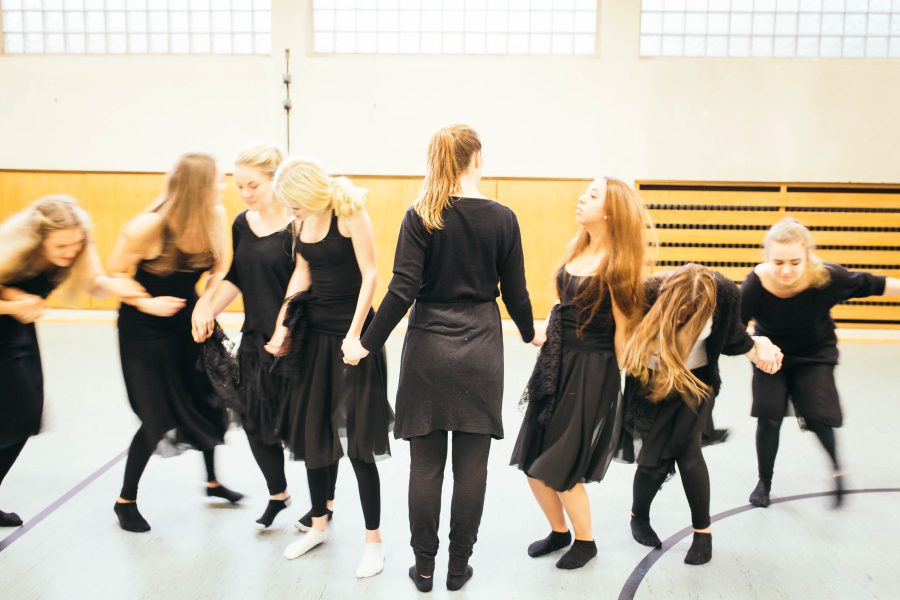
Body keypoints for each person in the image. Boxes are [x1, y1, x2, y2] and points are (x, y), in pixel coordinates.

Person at [342, 124, 535, 592]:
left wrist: (364, 342)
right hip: (481, 349)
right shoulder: (503, 218)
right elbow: (515, 292)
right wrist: (531, 333)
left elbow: (401, 289)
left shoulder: (420, 215)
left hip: (428, 348)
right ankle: (457, 567)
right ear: (477, 158)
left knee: (425, 467)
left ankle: (424, 567)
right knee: (472, 467)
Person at [510, 176, 652, 570]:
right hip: (556, 365)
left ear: (610, 212)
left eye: (592, 195)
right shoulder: (579, 248)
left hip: (591, 374)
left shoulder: (618, 266)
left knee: (561, 467)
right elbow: (564, 309)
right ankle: (559, 531)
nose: (581, 198)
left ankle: (586, 542)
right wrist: (545, 334)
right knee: (532, 464)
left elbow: (625, 335)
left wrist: (623, 386)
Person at [266, 157, 392, 579]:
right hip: (313, 338)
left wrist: (356, 335)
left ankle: (373, 541)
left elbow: (372, 275)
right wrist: (283, 325)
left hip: (350, 340)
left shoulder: (349, 212)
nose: (290, 213)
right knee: (314, 435)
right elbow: (301, 273)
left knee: (356, 443)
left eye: (294, 205)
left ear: (309, 195)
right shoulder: (303, 224)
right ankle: (319, 523)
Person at [110, 153, 243, 533]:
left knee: (206, 398)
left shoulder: (213, 215)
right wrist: (145, 302)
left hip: (188, 321)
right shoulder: (148, 226)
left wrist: (206, 301)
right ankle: (126, 500)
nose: (222, 186)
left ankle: (212, 482)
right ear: (197, 186)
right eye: (216, 180)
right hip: (144, 330)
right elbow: (115, 274)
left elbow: (220, 267)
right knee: (157, 416)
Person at [620, 263, 781, 565]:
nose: (683, 320)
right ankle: (638, 516)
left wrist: (760, 346)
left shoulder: (723, 295)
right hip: (651, 384)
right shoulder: (645, 292)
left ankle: (702, 533)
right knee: (653, 461)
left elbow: (733, 337)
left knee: (689, 453)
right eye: (678, 313)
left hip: (695, 385)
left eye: (691, 315)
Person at [0, 195, 147, 527]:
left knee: (24, 419)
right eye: (61, 246)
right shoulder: (13, 251)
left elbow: (94, 281)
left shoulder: (77, 243)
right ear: (38, 240)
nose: (70, 252)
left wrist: (122, 288)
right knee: (13, 417)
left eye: (76, 244)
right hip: (6, 326)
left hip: (20, 332)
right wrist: (12, 305)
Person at [741, 217, 900, 509]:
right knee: (769, 415)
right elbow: (734, 330)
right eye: (778, 262)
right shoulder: (755, 285)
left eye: (794, 262)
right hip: (771, 355)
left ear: (808, 258)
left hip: (814, 354)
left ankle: (837, 470)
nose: (786, 270)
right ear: (767, 258)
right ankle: (764, 481)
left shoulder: (827, 277)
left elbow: (873, 284)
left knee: (818, 417)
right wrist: (755, 349)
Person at [200, 144, 306, 530]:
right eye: (239, 186)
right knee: (255, 422)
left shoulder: (299, 226)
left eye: (253, 185)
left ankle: (321, 507)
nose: (244, 194)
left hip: (294, 342)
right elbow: (236, 278)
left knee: (302, 426)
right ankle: (278, 493)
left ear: (276, 180)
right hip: (254, 339)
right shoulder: (243, 223)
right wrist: (207, 308)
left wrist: (286, 329)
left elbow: (308, 284)